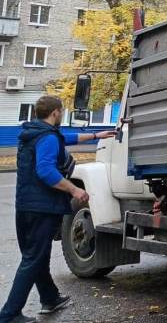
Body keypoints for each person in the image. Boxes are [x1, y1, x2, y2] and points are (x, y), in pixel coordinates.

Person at [0, 95, 116, 323]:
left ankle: (50, 298)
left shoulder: (32, 134)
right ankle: (9, 314)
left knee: (36, 256)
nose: (61, 115)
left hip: (25, 205)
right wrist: (74, 190)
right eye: (61, 111)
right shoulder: (48, 138)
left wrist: (95, 135)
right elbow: (46, 170)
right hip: (43, 207)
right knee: (34, 258)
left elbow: (65, 138)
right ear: (55, 112)